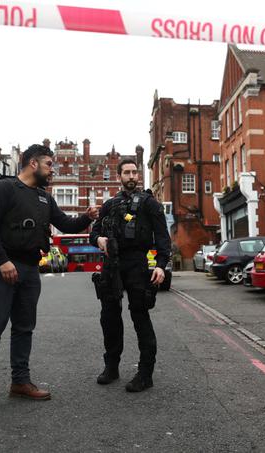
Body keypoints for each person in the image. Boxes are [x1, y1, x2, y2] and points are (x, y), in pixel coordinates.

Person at [0, 144, 98, 413]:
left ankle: (20, 382)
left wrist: (86, 216)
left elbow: (66, 224)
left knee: (24, 328)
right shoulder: (5, 189)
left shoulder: (44, 198)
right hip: (2, 266)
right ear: (32, 164)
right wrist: (2, 261)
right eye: (49, 164)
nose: (53, 169)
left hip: (29, 268)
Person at [89, 159, 171, 392]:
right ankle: (111, 367)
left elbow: (163, 238)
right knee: (109, 317)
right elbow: (93, 233)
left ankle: (145, 373)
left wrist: (160, 266)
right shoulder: (109, 205)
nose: (132, 176)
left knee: (140, 315)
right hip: (111, 264)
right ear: (119, 176)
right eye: (127, 172)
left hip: (137, 262)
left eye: (135, 172)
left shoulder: (150, 204)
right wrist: (99, 239)